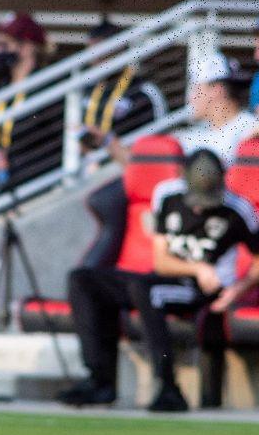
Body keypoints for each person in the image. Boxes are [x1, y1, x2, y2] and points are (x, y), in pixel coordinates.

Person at [59, 150, 259, 412]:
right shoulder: (167, 195)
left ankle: (168, 387)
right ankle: (99, 380)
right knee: (83, 280)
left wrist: (236, 290)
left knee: (145, 291)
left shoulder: (238, 209)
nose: (199, 208)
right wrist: (198, 267)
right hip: (165, 277)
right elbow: (161, 261)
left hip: (202, 290)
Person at [105, 52, 258, 167]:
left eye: (196, 88)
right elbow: (138, 164)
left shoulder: (250, 130)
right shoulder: (196, 134)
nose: (191, 97)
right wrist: (106, 140)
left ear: (216, 90)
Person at [0, 12, 60, 188]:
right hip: (8, 182)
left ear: (28, 47)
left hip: (37, 183)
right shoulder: (4, 88)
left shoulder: (46, 88)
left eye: (4, 44)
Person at [79, 18, 166, 154]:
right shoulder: (85, 90)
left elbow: (159, 140)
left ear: (119, 50)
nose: (95, 58)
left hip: (130, 163)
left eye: (101, 51)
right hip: (90, 164)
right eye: (92, 51)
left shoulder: (143, 90)